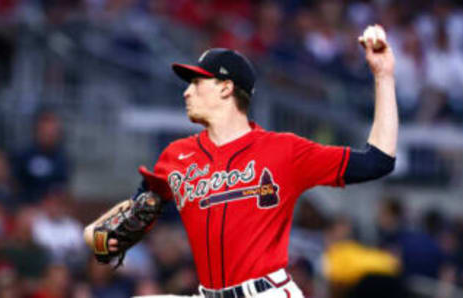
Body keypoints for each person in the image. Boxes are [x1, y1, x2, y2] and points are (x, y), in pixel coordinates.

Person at [83, 25, 398, 297]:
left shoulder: (284, 151)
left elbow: (378, 161)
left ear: (225, 87)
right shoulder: (175, 157)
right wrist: (99, 235)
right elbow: (125, 218)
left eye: (196, 83)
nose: (186, 93)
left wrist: (384, 77)